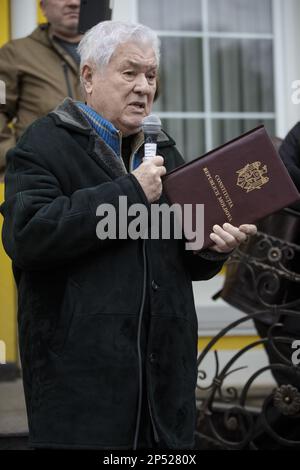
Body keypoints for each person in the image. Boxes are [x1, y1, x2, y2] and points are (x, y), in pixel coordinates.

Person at [0, 21, 257, 450]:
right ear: (88, 77)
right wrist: (130, 191)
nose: (143, 87)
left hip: (164, 395)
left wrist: (212, 248)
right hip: (83, 394)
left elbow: (185, 258)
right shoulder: (41, 145)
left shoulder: (165, 151)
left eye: (151, 75)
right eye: (129, 72)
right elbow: (29, 235)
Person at [0, 0, 82, 180]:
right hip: (40, 178)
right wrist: (12, 156)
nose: (74, 2)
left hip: (102, 176)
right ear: (43, 6)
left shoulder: (111, 50)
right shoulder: (15, 53)